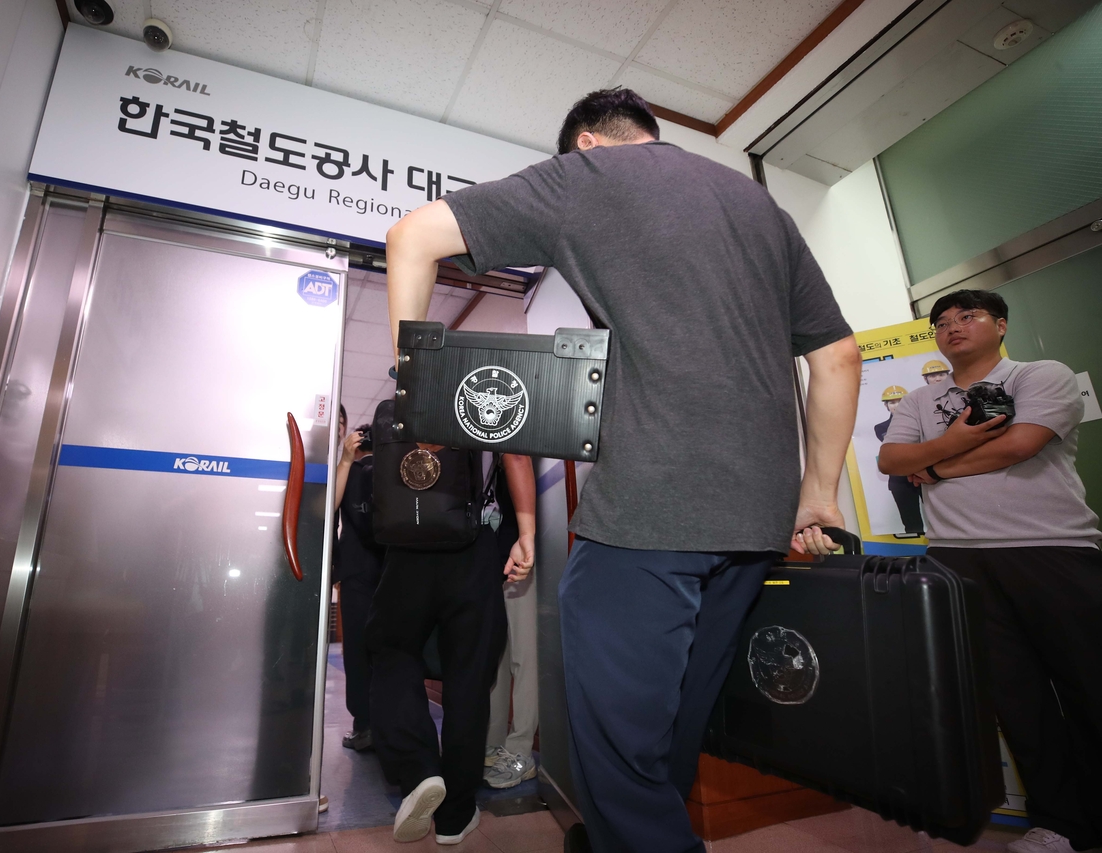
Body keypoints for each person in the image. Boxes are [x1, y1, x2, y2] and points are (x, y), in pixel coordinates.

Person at [384, 88, 860, 852]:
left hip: (650, 505)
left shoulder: (584, 177)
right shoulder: (759, 207)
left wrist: (413, 380)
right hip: (758, 513)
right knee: (674, 720)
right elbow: (837, 354)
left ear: (587, 145)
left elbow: (411, 237)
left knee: (615, 745)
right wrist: (818, 493)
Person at [879, 290, 1102, 853]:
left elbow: (1020, 445)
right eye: (942, 322)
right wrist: (943, 448)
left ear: (1000, 325)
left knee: (1090, 687)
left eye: (969, 316)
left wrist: (933, 462)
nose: (953, 326)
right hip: (957, 556)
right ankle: (1061, 825)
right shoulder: (919, 400)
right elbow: (889, 462)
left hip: (1053, 547)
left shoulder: (1037, 375)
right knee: (1017, 700)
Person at [364, 449, 536, 845]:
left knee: (392, 652)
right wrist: (524, 536)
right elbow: (515, 457)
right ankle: (455, 816)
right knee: (470, 677)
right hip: (473, 546)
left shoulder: (411, 386)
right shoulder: (490, 386)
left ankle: (420, 772)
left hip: (408, 545)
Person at [483, 459, 539, 791]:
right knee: (497, 657)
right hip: (491, 556)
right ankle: (492, 746)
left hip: (520, 552)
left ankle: (521, 752)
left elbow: (522, 464)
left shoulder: (516, 432)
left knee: (524, 656)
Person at [332, 407, 382, 753]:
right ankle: (387, 725)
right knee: (388, 653)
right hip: (389, 568)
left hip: (354, 572)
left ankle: (364, 726)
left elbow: (328, 517)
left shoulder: (346, 472)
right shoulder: (391, 473)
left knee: (357, 654)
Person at [875, 385, 925, 534]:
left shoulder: (924, 421)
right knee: (911, 524)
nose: (897, 405)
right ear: (886, 406)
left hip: (927, 476)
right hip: (900, 481)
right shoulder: (881, 427)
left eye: (901, 401)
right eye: (892, 402)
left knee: (942, 520)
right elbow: (897, 449)